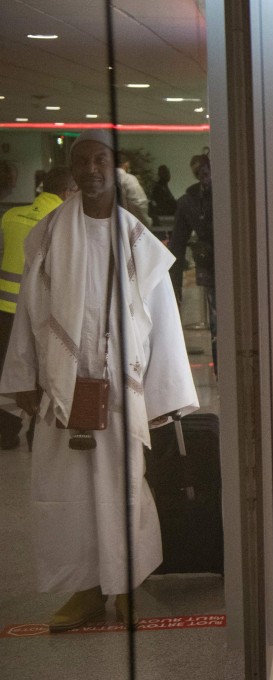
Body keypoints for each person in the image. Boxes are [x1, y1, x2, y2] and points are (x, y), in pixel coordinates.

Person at [0, 129, 198, 632]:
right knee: (65, 497)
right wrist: (23, 375)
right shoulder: (45, 235)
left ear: (116, 167)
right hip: (60, 395)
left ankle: (127, 586)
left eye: (100, 159)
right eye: (81, 160)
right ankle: (85, 590)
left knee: (123, 491)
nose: (90, 169)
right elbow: (28, 312)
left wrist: (164, 396)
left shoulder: (138, 241)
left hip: (118, 392)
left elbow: (163, 318)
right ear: (71, 169)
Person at [0, 166, 77, 450]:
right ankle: (36, 434)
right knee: (42, 368)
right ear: (68, 192)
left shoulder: (11, 215)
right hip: (39, 310)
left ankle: (5, 433)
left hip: (4, 309)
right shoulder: (61, 220)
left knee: (9, 371)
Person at [169, 154, 217, 371]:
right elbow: (177, 245)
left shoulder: (228, 193)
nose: (205, 178)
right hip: (212, 268)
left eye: (206, 172)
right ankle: (222, 373)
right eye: (201, 174)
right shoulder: (190, 201)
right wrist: (175, 286)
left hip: (224, 268)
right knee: (217, 325)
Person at [115, 152, 152, 228]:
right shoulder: (129, 179)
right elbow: (138, 204)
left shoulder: (102, 179)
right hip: (126, 226)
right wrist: (147, 223)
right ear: (126, 164)